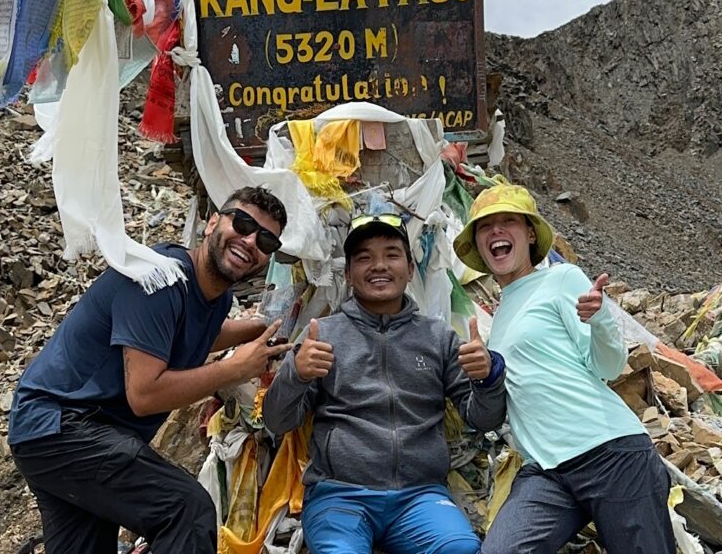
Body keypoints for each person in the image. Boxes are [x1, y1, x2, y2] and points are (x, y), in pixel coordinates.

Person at [8, 186, 295, 554]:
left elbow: (188, 335)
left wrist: (261, 328)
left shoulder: (215, 297)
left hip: (48, 434)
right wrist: (235, 369)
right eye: (241, 224)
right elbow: (144, 395)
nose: (250, 241)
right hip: (63, 426)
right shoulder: (159, 280)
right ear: (211, 224)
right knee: (186, 511)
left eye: (266, 240)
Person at [263, 212, 507, 554]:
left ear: (409, 269)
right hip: (340, 496)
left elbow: (485, 419)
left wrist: (486, 378)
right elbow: (277, 421)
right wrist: (296, 374)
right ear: (348, 274)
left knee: (461, 549)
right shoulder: (323, 336)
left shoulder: (437, 337)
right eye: (364, 258)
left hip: (420, 496)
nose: (379, 265)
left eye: (392, 255)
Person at [451, 183, 675, 553]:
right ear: (477, 244)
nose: (496, 232)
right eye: (485, 226)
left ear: (529, 234)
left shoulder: (561, 278)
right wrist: (485, 376)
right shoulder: (501, 313)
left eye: (508, 221)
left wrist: (600, 318)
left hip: (610, 451)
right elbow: (491, 415)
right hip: (547, 471)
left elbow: (609, 365)